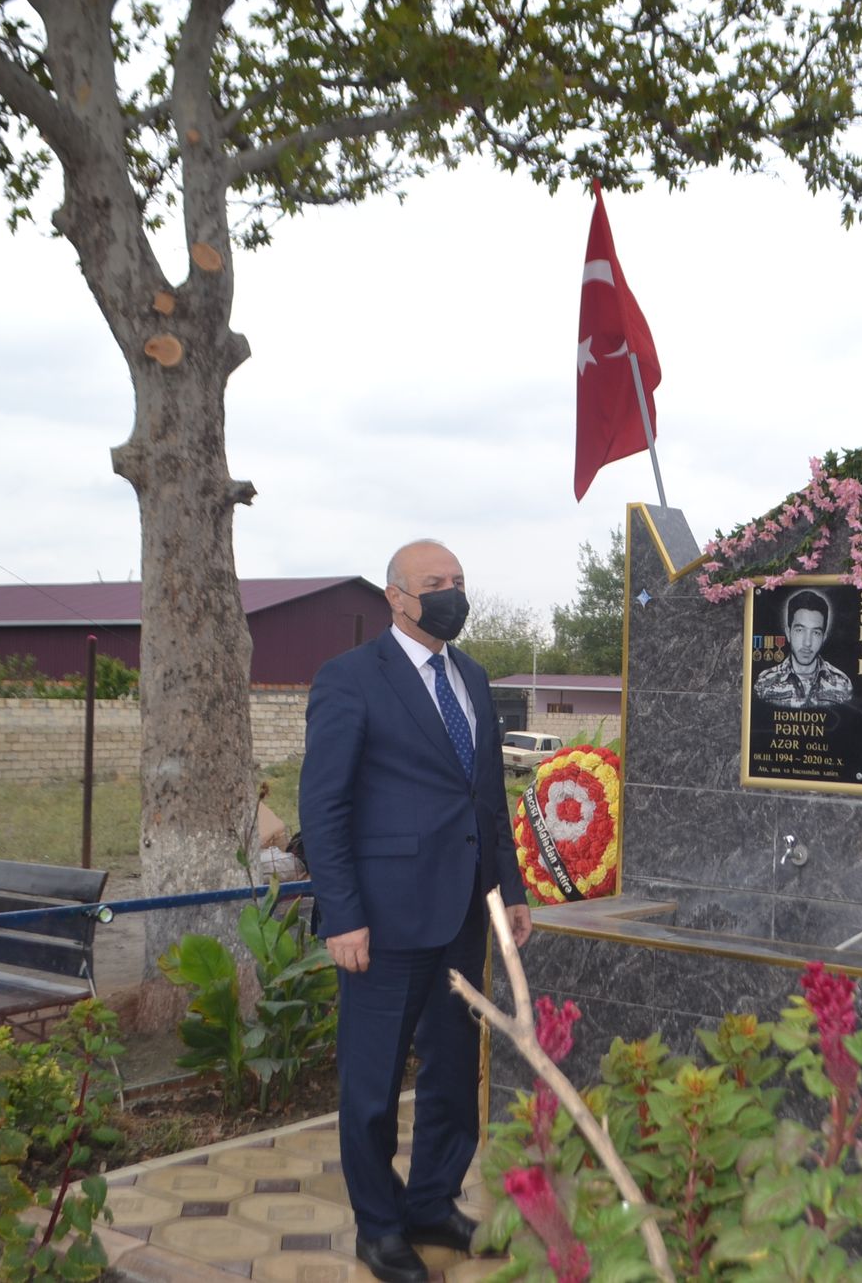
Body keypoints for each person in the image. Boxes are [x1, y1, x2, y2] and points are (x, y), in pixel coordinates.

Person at [298, 539, 532, 1283]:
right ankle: (378, 1227)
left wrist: (512, 890)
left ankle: (432, 1200)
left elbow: (487, 800)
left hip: (462, 910)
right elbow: (324, 804)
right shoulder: (349, 679)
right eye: (436, 583)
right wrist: (342, 914)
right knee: (370, 1086)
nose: (451, 593)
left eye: (459, 581)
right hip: (382, 920)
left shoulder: (471, 674)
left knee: (454, 1073)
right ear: (397, 596)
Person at [752, 589, 854, 708]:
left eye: (816, 632)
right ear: (788, 633)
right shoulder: (765, 683)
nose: (807, 642)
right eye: (800, 630)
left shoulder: (842, 684)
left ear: (824, 637)